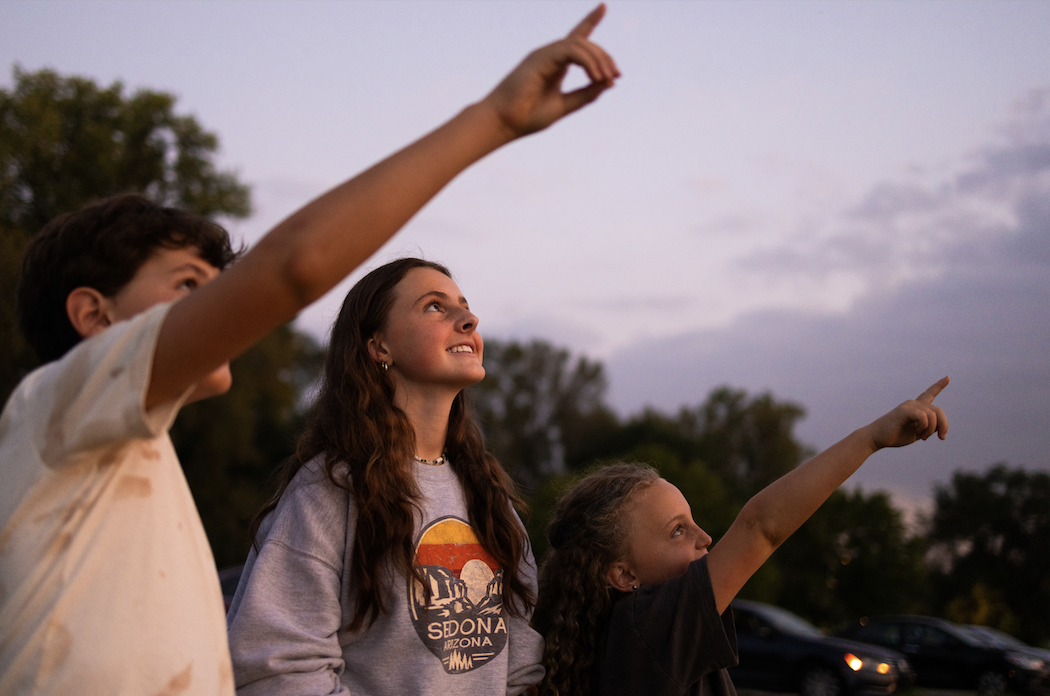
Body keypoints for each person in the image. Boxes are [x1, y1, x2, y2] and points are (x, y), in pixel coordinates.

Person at [0, 5, 619, 694]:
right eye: (188, 286)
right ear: (94, 314)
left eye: (218, 286)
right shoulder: (55, 408)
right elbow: (293, 267)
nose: (220, 307)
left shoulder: (129, 461)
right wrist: (495, 120)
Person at [228, 257, 548, 695]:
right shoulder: (331, 489)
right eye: (435, 307)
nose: (469, 320)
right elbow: (277, 667)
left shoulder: (490, 499)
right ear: (379, 346)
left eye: (465, 307)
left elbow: (520, 668)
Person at [532, 378, 950, 696]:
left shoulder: (617, 643)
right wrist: (872, 438)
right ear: (622, 574)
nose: (706, 537)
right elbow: (760, 527)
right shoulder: (642, 629)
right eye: (678, 530)